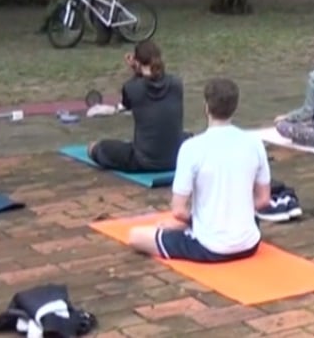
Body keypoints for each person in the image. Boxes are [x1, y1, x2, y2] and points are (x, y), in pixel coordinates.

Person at [128, 78, 272, 262]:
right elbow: (264, 200)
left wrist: (195, 222)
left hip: (210, 247)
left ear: (206, 107)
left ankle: (200, 227)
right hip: (249, 244)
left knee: (135, 236)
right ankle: (204, 225)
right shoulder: (255, 143)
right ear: (234, 107)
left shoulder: (192, 148)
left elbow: (178, 211)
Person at [88, 40, 188, 172]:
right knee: (186, 136)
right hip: (177, 158)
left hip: (144, 160)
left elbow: (128, 103)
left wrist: (135, 70)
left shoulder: (132, 87)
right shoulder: (177, 83)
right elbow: (157, 79)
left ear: (137, 61)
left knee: (95, 148)